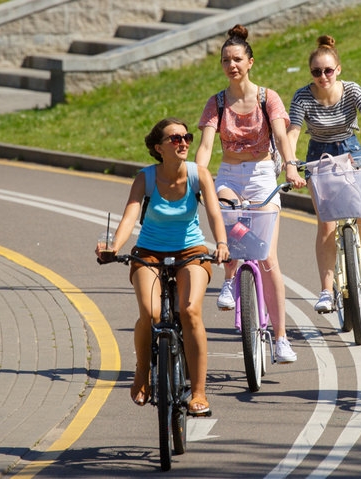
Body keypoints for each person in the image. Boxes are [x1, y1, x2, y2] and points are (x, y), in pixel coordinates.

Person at [96, 117, 229, 415]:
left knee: (191, 311)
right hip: (149, 252)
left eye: (186, 137)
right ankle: (142, 373)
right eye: (175, 138)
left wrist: (221, 243)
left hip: (191, 250)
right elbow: (130, 216)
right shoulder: (145, 178)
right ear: (159, 148)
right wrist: (114, 247)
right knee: (151, 313)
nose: (183, 143)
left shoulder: (199, 175)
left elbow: (214, 214)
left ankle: (199, 392)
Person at [195, 24, 306, 363]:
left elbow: (281, 136)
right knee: (225, 217)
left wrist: (290, 166)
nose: (232, 65)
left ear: (250, 62)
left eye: (237, 59)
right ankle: (230, 278)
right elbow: (206, 146)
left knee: (268, 258)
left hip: (261, 176)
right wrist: (195, 176)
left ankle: (281, 339)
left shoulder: (267, 98)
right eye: (226, 60)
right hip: (229, 175)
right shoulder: (216, 103)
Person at [287, 34, 361, 313]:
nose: (322, 77)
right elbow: (293, 131)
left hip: (350, 150)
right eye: (316, 72)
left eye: (328, 70)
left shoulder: (351, 90)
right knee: (326, 224)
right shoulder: (302, 96)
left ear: (338, 69)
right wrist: (289, 163)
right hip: (320, 156)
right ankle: (326, 291)